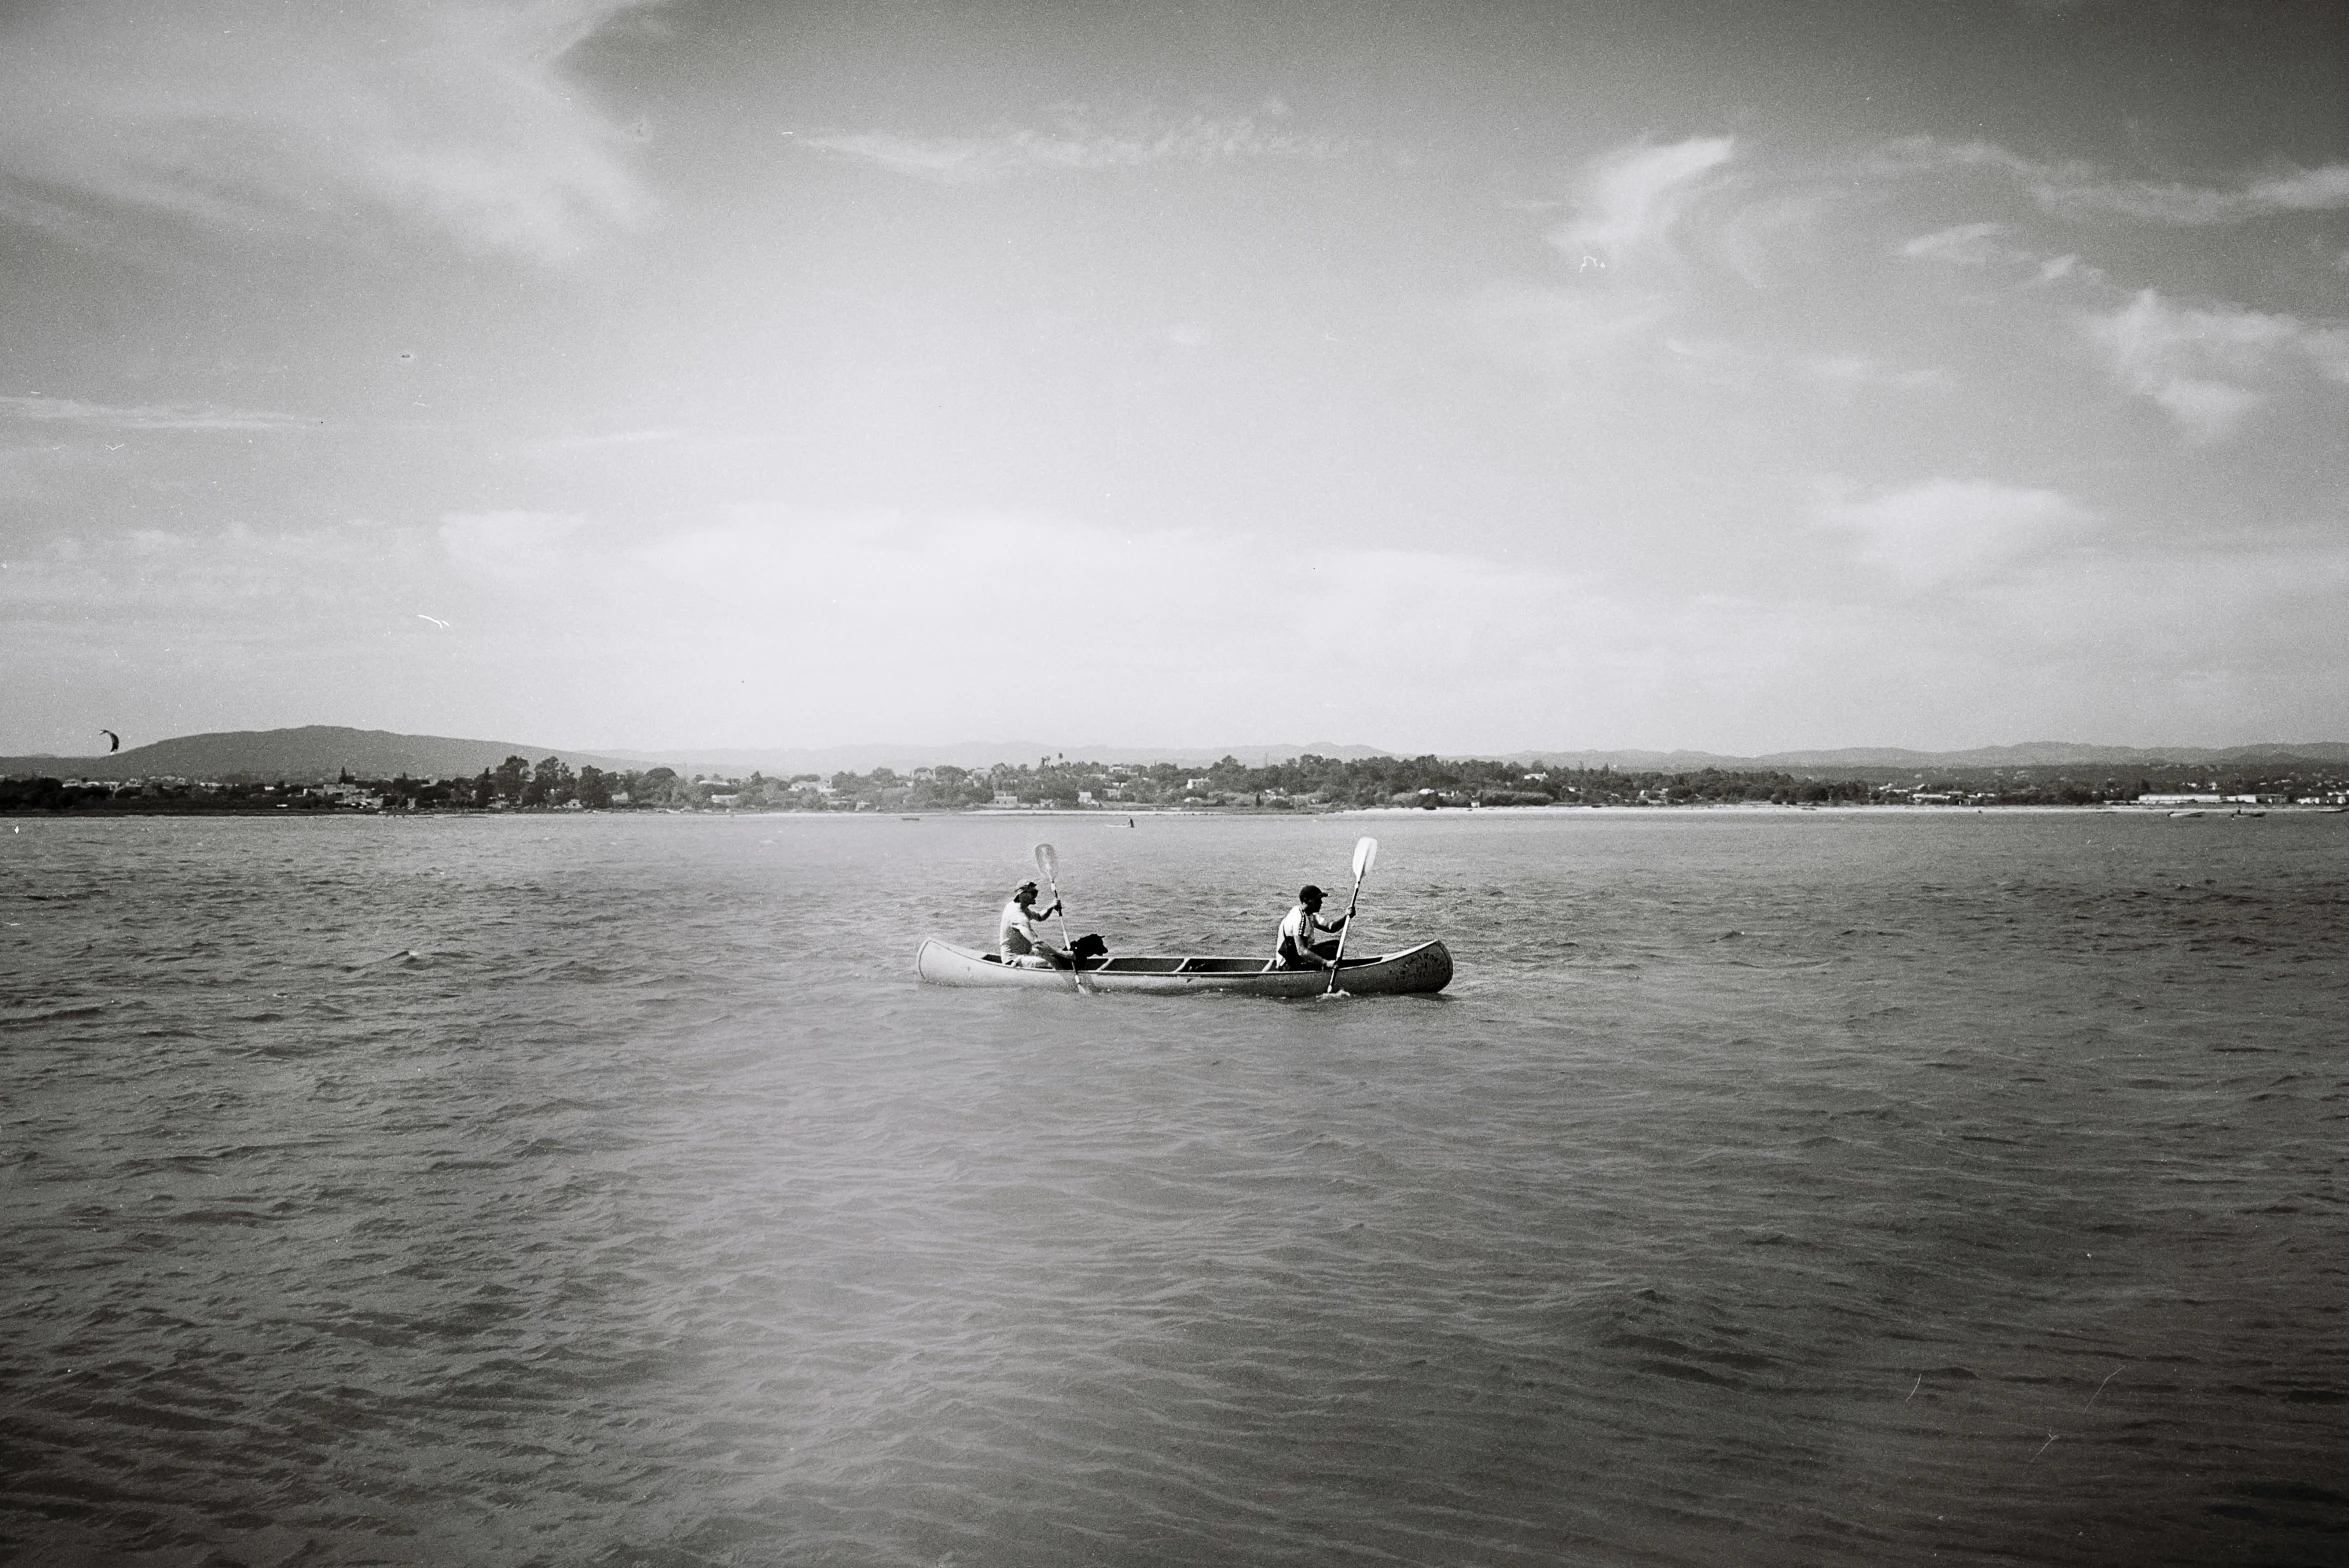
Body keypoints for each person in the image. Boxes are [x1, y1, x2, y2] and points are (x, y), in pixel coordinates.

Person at [998, 879, 1069, 967]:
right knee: (1052, 961)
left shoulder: (1021, 907)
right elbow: (1036, 943)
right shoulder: (1017, 915)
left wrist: (1051, 906)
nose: (1035, 895)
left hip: (1026, 953)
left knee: (1055, 957)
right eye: (1032, 893)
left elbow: (1039, 917)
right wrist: (1063, 953)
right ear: (1021, 894)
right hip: (1012, 959)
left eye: (1035, 892)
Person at [1276, 884, 1348, 969]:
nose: (1321, 902)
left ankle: (1330, 967)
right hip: (1288, 964)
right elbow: (1301, 951)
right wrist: (1326, 963)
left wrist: (1346, 916)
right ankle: (1327, 969)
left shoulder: (1310, 914)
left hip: (1298, 957)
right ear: (1307, 900)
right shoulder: (1299, 918)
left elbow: (1331, 927)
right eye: (1317, 900)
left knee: (1335, 946)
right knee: (1331, 950)